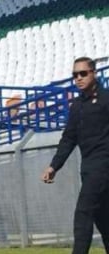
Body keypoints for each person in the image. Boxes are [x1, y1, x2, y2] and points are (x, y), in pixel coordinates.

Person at [41, 57, 109, 254]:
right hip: (88, 169)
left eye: (83, 73)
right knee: (103, 219)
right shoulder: (77, 105)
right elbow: (68, 139)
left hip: (103, 167)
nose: (78, 78)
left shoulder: (106, 99)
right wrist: (54, 166)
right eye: (75, 75)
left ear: (94, 74)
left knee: (83, 213)